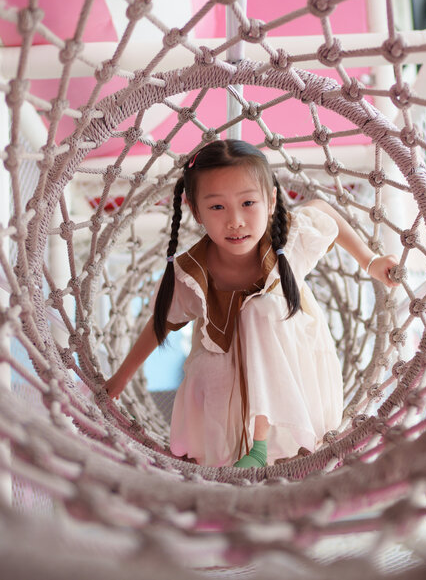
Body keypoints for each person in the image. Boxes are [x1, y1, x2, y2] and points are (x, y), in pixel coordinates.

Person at [105, 139, 399, 468]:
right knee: (209, 367)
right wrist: (117, 383)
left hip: (295, 374)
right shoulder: (190, 272)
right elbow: (160, 325)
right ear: (195, 211)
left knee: (261, 310)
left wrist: (370, 261)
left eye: (248, 203)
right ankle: (233, 459)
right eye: (217, 207)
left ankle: (262, 449)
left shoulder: (289, 238)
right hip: (227, 389)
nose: (235, 221)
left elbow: (324, 210)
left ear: (271, 201)